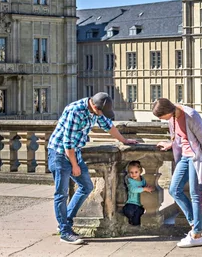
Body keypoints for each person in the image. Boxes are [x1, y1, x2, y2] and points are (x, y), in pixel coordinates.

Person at [47, 92, 138, 245]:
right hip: (60, 154)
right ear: (95, 107)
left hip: (74, 152)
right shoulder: (74, 111)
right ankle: (64, 232)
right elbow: (67, 142)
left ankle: (66, 223)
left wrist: (124, 140)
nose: (103, 115)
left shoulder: (96, 110)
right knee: (61, 194)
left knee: (86, 186)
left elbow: (108, 126)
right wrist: (75, 165)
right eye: (102, 112)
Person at [152, 98, 202, 248]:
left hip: (196, 158)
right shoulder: (172, 118)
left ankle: (197, 234)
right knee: (174, 190)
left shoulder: (191, 116)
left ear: (168, 111)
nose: (161, 120)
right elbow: (180, 137)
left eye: (161, 117)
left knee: (195, 194)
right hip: (184, 157)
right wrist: (170, 144)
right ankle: (195, 224)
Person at [122, 160, 154, 226]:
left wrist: (147, 187)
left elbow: (145, 187)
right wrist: (144, 189)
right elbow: (133, 189)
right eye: (131, 172)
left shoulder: (143, 180)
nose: (134, 174)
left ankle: (134, 224)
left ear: (140, 171)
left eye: (136, 172)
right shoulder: (130, 181)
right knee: (129, 212)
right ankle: (130, 219)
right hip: (131, 203)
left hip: (140, 205)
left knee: (137, 220)